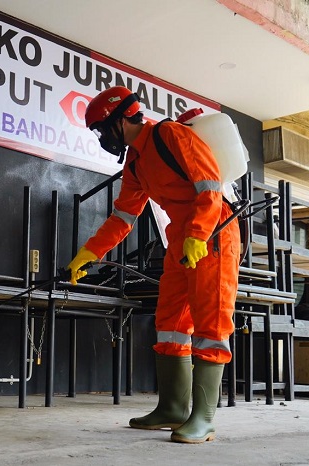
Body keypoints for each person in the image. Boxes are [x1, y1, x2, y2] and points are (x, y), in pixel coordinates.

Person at [66, 86, 240, 444]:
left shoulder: (170, 135)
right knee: (171, 322)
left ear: (118, 120)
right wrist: (89, 252)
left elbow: (209, 187)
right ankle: (173, 408)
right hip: (181, 238)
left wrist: (198, 234)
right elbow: (123, 218)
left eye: (101, 129)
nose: (101, 138)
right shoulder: (135, 163)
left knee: (211, 320)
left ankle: (203, 418)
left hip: (213, 232)